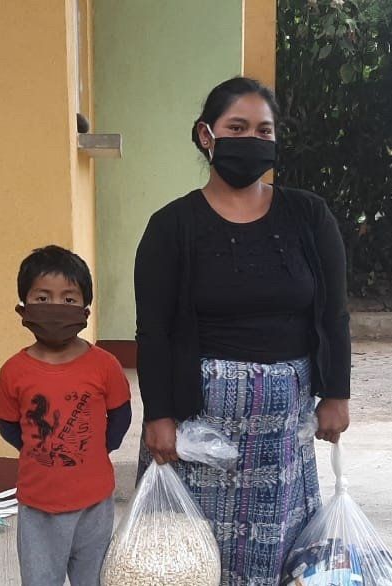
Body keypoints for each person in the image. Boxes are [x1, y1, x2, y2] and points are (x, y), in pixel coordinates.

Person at [133, 77, 352, 585]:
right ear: (206, 135)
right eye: (237, 127)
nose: (252, 140)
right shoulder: (171, 226)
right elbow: (155, 330)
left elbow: (334, 313)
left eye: (263, 130)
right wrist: (160, 415)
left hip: (283, 422)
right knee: (188, 557)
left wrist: (336, 393)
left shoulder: (309, 215)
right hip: (198, 422)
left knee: (273, 553)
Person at [0, 246, 133, 586]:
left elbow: (121, 417)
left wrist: (95, 452)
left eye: (68, 300)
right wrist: (41, 451)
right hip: (38, 508)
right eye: (42, 298)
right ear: (22, 308)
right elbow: (9, 426)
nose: (56, 308)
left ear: (85, 310)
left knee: (94, 579)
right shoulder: (14, 371)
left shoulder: (105, 365)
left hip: (95, 505)